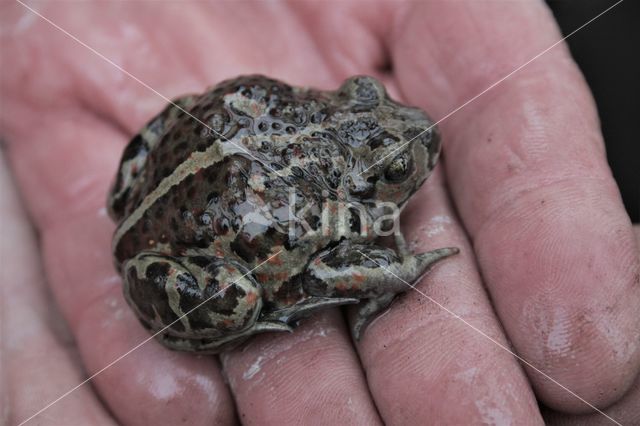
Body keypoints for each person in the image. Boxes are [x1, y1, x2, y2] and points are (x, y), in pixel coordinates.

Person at [2, 1, 638, 424]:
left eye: (374, 99)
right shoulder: (329, 216)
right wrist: (395, 272)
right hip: (186, 251)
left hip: (187, 163)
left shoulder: (309, 119)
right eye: (395, 171)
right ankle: (235, 311)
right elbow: (329, 276)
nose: (414, 130)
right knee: (242, 297)